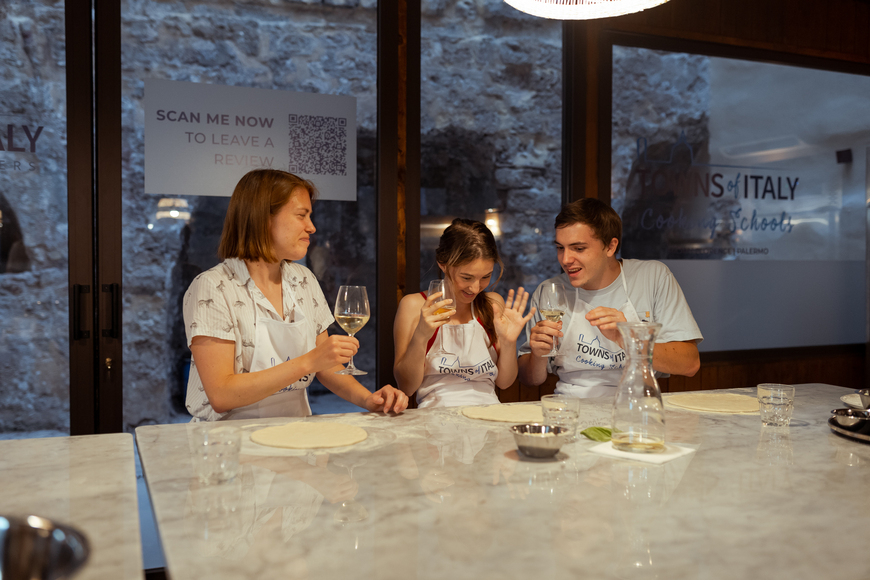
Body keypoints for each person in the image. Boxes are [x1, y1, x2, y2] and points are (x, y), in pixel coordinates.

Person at [183, 169, 408, 421]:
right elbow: (221, 395)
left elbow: (326, 365)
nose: (311, 227)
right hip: (228, 439)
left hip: (295, 432)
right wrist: (308, 362)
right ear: (263, 219)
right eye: (302, 215)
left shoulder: (303, 279)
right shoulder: (213, 286)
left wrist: (369, 400)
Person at [517, 198, 702, 398]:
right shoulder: (550, 291)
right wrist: (538, 354)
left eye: (579, 248)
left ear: (610, 247)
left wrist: (628, 338)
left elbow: (689, 364)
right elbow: (530, 379)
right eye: (560, 248)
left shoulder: (653, 277)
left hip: (637, 403)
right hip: (570, 404)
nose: (566, 259)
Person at [393, 218, 534, 408]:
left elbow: (504, 382)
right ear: (443, 263)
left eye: (485, 277)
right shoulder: (413, 305)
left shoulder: (492, 304)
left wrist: (509, 343)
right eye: (467, 277)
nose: (475, 288)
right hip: (435, 415)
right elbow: (406, 386)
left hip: (489, 412)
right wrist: (420, 336)